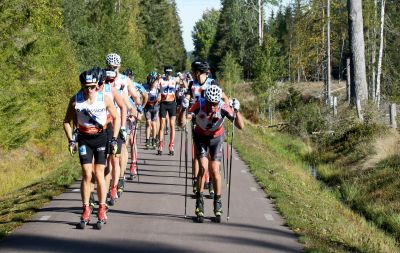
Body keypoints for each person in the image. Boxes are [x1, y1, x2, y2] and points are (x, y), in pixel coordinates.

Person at [63, 68, 121, 228]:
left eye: (92, 86)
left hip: (101, 138)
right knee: (87, 174)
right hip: (84, 140)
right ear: (81, 86)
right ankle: (86, 208)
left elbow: (116, 117)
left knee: (99, 173)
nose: (89, 90)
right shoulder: (76, 99)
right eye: (85, 87)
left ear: (97, 85)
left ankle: (102, 208)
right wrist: (71, 140)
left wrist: (114, 138)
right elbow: (66, 121)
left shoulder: (105, 98)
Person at [179, 85, 244, 222]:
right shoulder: (198, 105)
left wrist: (237, 111)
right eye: (211, 104)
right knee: (203, 168)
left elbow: (240, 126)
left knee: (214, 170)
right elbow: (182, 123)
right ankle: (199, 201)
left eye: (216, 104)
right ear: (206, 100)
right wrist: (182, 109)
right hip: (201, 137)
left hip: (216, 138)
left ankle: (217, 202)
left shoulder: (223, 107)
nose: (213, 107)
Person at [184, 60, 230, 198]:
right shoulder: (192, 84)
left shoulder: (212, 83)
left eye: (193, 71)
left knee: (211, 157)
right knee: (198, 155)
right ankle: (198, 181)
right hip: (196, 118)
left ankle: (210, 181)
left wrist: (225, 110)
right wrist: (184, 101)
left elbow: (224, 98)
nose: (192, 74)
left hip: (212, 121)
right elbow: (188, 97)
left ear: (199, 72)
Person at [103, 53, 140, 200]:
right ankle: (107, 183)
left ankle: (120, 178)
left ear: (119, 66)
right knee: (107, 157)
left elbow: (135, 96)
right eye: (109, 66)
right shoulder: (101, 78)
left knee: (120, 151)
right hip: (105, 119)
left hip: (122, 118)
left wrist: (137, 104)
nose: (112, 68)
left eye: (115, 66)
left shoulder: (125, 79)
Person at [157, 66, 177, 155]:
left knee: (172, 125)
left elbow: (185, 85)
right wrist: (157, 79)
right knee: (162, 125)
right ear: (165, 73)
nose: (168, 76)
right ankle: (160, 146)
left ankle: (171, 146)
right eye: (167, 74)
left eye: (169, 74)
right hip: (163, 104)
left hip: (172, 103)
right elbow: (155, 85)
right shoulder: (161, 80)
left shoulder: (174, 80)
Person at [143, 71, 161, 149]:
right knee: (148, 123)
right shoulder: (144, 86)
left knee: (153, 124)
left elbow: (160, 98)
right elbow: (142, 96)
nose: (151, 85)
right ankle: (147, 141)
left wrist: (155, 101)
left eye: (152, 83)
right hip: (147, 107)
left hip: (155, 106)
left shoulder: (158, 87)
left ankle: (154, 140)